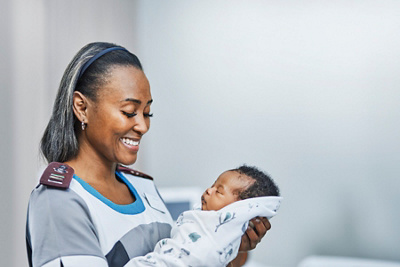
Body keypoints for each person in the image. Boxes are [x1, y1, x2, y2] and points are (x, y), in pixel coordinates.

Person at [25, 42, 271, 267]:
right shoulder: (59, 201)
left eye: (147, 113)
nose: (142, 126)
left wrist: (230, 251)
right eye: (130, 112)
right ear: (82, 108)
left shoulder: (143, 186)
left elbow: (182, 258)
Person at [148, 165, 282, 267]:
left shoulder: (217, 240)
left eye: (218, 191)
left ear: (238, 210)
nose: (208, 190)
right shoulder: (198, 218)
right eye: (212, 186)